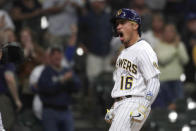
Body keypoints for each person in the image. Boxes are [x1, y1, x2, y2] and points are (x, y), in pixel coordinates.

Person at [105, 8, 160, 131]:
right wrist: (114, 107)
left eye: (122, 23)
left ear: (135, 25)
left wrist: (144, 106)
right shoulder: (123, 53)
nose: (118, 27)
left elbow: (154, 81)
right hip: (122, 102)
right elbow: (122, 85)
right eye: (117, 24)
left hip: (134, 102)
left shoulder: (143, 48)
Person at [37, 46, 80, 131]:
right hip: (50, 111)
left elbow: (77, 87)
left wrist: (71, 80)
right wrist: (62, 80)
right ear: (50, 57)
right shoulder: (46, 72)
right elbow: (47, 89)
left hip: (65, 110)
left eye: (59, 54)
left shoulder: (67, 71)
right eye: (54, 55)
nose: (57, 57)